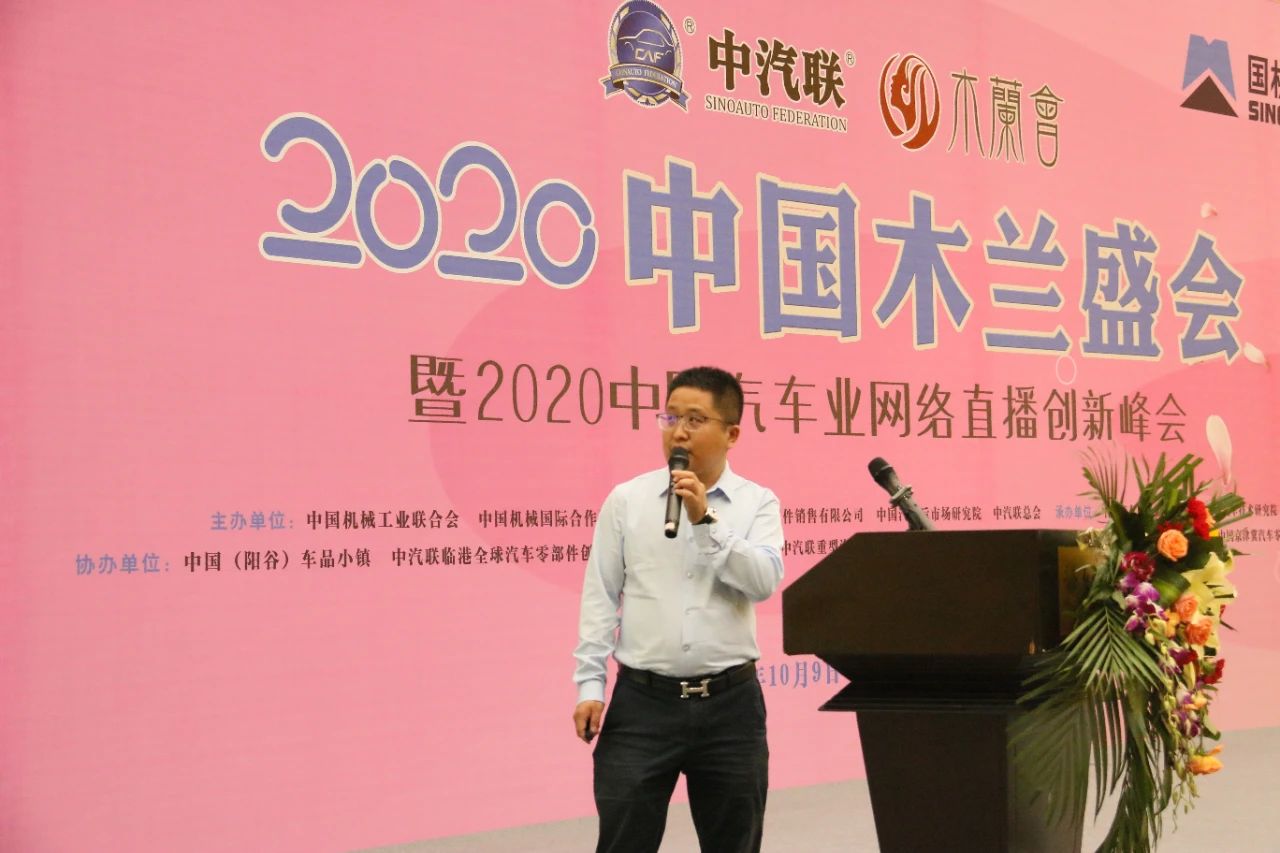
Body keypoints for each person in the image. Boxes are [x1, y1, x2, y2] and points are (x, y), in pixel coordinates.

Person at [573, 366, 785, 853]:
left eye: (695, 419)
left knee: (734, 843)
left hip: (731, 708)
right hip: (642, 706)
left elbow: (763, 582)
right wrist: (589, 686)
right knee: (623, 841)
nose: (678, 431)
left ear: (732, 434)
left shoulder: (758, 503)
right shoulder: (627, 501)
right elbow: (601, 596)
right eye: (670, 417)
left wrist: (705, 519)